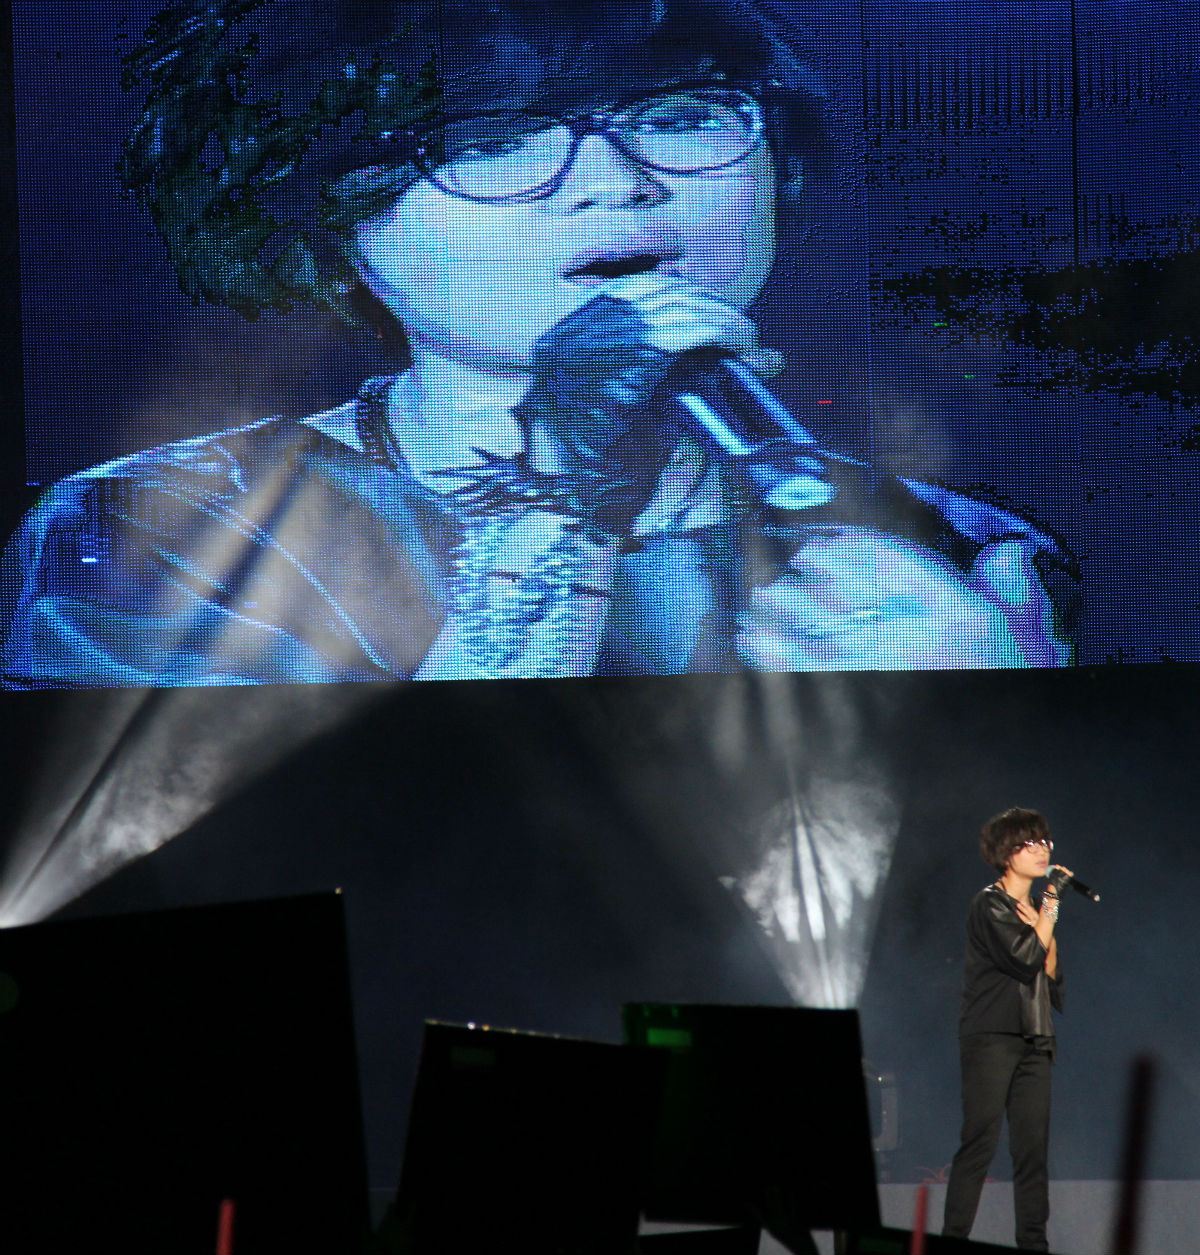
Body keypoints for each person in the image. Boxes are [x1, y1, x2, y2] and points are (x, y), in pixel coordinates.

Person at [0, 0, 1075, 688]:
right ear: (329, 219)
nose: (616, 182)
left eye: (681, 115)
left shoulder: (955, 545)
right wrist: (566, 478)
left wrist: (992, 711)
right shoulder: (153, 530)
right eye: (496, 139)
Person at [943, 807, 1068, 1252]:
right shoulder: (989, 904)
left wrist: (1045, 918)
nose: (1041, 851)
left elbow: (1051, 976)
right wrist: (1050, 905)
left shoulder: (1037, 910)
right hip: (993, 1036)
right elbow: (1024, 959)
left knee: (1032, 1152)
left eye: (1044, 841)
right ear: (1005, 853)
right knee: (980, 1142)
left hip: (1036, 1036)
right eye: (1029, 843)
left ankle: (1033, 1245)